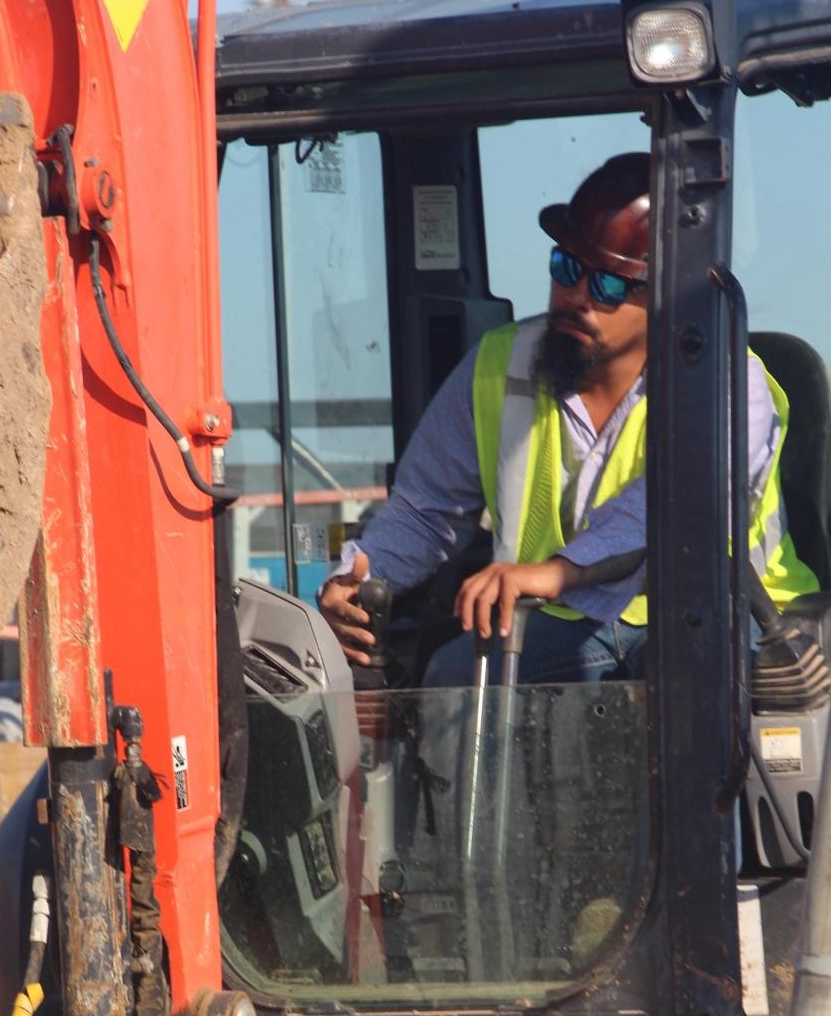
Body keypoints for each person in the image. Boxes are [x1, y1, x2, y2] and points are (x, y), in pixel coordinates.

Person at [318, 152, 817, 686]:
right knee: (453, 681)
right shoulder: (498, 366)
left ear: (666, 297)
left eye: (607, 286)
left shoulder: (729, 382)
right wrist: (358, 575)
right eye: (567, 268)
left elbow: (672, 510)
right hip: (564, 621)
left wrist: (557, 572)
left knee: (691, 681)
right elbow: (425, 510)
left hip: (731, 613)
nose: (577, 296)